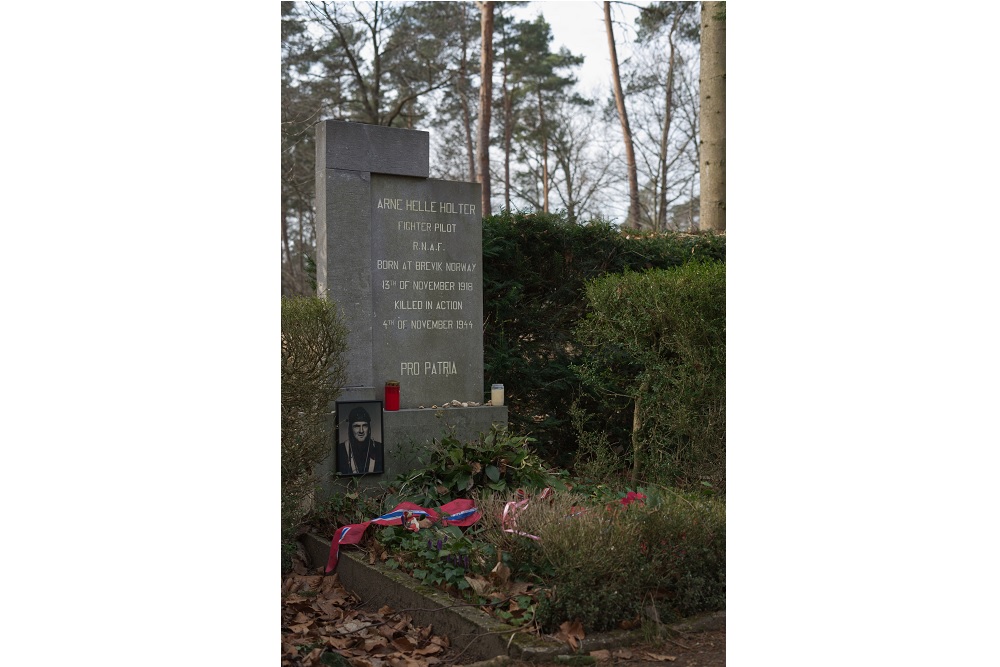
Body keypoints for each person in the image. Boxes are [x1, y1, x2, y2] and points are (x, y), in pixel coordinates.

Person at [337, 406, 384, 475]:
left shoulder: (379, 448)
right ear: (351, 428)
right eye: (357, 426)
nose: (361, 431)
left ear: (369, 428)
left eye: (364, 426)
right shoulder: (341, 449)